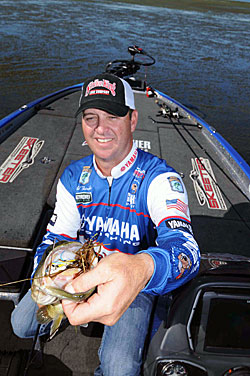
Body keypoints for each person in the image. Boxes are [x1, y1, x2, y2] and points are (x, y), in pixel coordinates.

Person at [11, 73, 200, 375]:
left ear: (133, 120)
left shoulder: (161, 179)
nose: (100, 128)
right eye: (91, 117)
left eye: (113, 116)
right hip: (79, 271)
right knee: (19, 325)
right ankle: (70, 315)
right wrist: (44, 276)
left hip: (133, 283)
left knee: (119, 369)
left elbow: (187, 252)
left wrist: (143, 269)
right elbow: (53, 238)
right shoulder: (73, 177)